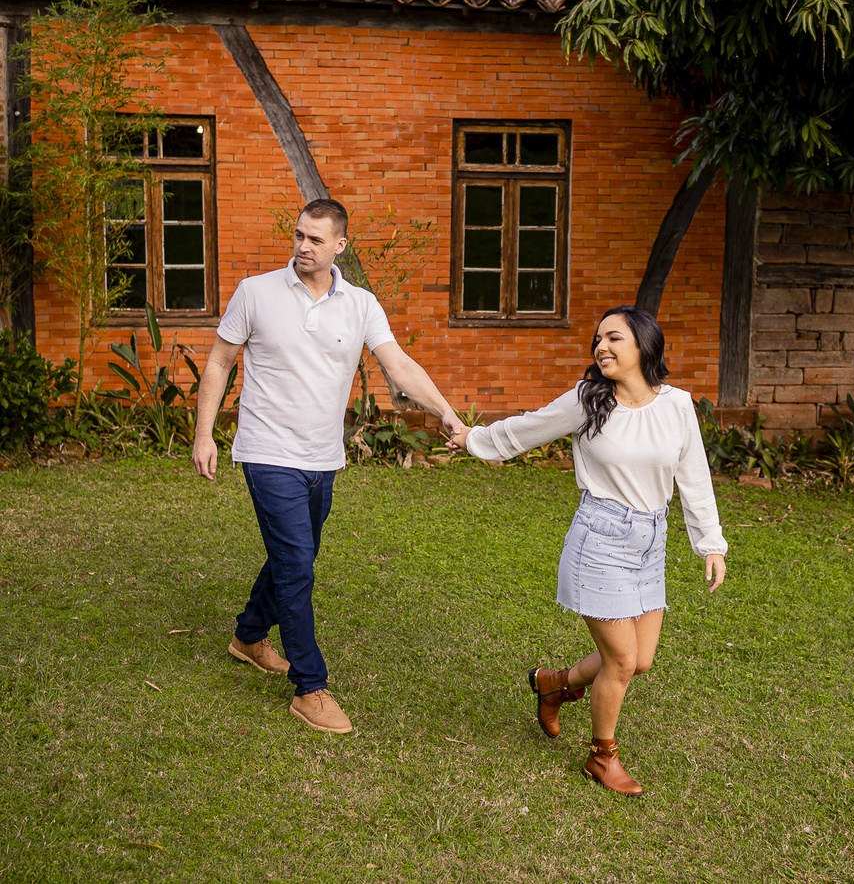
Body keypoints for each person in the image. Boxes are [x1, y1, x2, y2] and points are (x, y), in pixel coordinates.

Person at [191, 198, 464, 734]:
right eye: (299, 235)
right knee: (297, 565)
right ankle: (310, 687)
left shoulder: (361, 304)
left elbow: (398, 364)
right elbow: (220, 361)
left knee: (295, 555)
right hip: (267, 452)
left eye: (316, 239)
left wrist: (446, 411)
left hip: (322, 457)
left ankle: (248, 636)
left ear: (340, 245)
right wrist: (204, 434)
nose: (303, 246)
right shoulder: (256, 292)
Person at [448, 305, 727, 796]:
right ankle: (602, 756)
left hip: (651, 541)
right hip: (600, 539)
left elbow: (694, 475)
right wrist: (474, 438)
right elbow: (528, 428)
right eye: (598, 339)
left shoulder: (677, 405)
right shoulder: (588, 399)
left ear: (644, 344)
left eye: (614, 338)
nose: (601, 347)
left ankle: (555, 684)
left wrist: (710, 543)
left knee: (641, 660)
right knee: (621, 661)